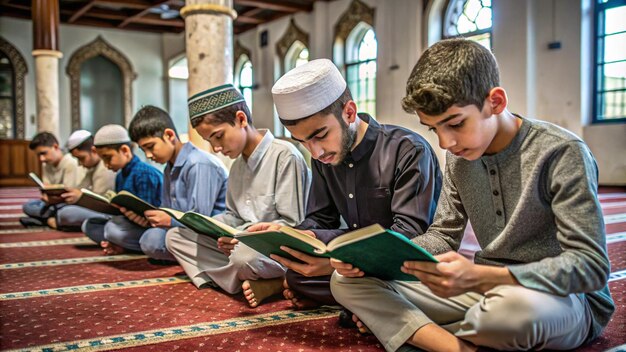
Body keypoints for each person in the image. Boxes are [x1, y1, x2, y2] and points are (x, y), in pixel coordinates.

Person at [330, 38, 615, 352]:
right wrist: (381, 256)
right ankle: (457, 345)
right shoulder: (460, 157)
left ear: (495, 102)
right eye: (433, 129)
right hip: (482, 292)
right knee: (345, 282)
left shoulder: (561, 153)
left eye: (455, 123)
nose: (445, 143)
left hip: (558, 300)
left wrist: (481, 277)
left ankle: (415, 330)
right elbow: (443, 234)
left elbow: (590, 266)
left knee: (504, 317)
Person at [248, 59, 442, 316]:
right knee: (299, 276)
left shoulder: (408, 150)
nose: (315, 152)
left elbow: (409, 235)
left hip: (405, 266)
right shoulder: (323, 158)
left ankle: (358, 304)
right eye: (303, 141)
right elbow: (320, 219)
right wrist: (290, 235)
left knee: (343, 279)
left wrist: (332, 262)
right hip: (352, 264)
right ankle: (360, 304)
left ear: (349, 112)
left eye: (319, 135)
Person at [166, 84, 311, 307]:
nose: (215, 148)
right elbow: (233, 216)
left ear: (241, 119)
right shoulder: (236, 167)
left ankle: (275, 280)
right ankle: (251, 280)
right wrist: (207, 225)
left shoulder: (285, 156)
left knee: (244, 257)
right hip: (241, 244)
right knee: (176, 236)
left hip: (275, 250)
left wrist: (241, 235)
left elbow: (294, 225)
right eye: (210, 141)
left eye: (218, 136)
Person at [127, 105, 228, 261]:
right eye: (143, 149)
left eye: (150, 147)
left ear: (169, 135)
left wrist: (169, 221)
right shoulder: (169, 168)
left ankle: (198, 258)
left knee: (152, 241)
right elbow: (167, 208)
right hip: (182, 230)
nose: (148, 155)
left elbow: (201, 218)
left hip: (211, 235)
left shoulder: (198, 163)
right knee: (142, 236)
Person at [82, 124, 163, 256]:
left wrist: (134, 216)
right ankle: (120, 244)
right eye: (103, 159)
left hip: (148, 229)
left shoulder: (144, 173)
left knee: (112, 229)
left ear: (125, 150)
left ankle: (120, 243)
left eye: (108, 158)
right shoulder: (120, 175)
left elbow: (149, 218)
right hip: (128, 224)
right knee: (90, 224)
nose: (106, 165)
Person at [52, 130, 117, 231]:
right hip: (94, 211)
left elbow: (103, 205)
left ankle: (55, 220)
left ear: (94, 151)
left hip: (107, 213)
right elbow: (80, 190)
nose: (79, 164)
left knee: (67, 213)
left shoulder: (106, 168)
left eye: (81, 158)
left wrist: (79, 197)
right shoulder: (92, 168)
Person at [20, 132, 85, 227]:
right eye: (38, 155)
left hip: (67, 204)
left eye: (44, 153)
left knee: (66, 211)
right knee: (28, 206)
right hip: (53, 203)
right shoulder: (46, 165)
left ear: (55, 147)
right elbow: (47, 187)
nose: (41, 159)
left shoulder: (70, 163)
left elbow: (69, 195)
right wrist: (46, 196)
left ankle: (46, 220)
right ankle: (52, 220)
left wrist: (52, 200)